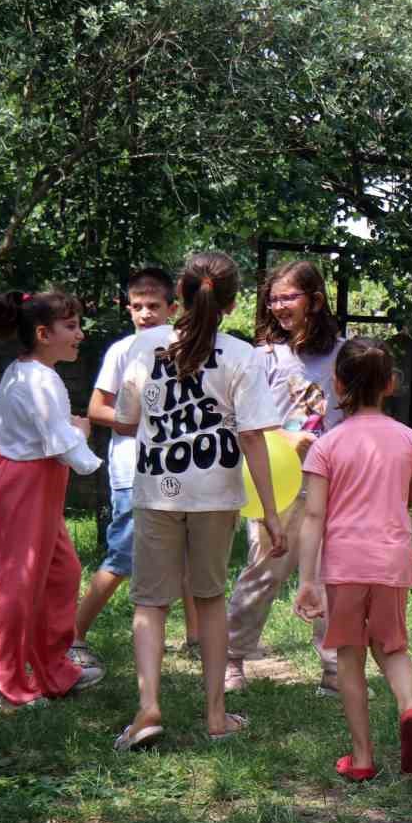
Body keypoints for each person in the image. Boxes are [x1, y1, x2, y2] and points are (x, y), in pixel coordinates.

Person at [111, 251, 286, 750]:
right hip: (215, 497)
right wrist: (271, 514)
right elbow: (254, 439)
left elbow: (124, 421)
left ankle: (148, 711)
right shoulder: (242, 356)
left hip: (154, 491)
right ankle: (215, 716)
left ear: (180, 297)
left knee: (150, 602)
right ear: (231, 305)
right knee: (209, 601)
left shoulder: (143, 346)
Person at [293, 338, 412, 779]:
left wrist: (307, 579)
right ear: (392, 384)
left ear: (337, 385)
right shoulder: (411, 440)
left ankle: (361, 759)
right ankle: (410, 708)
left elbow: (314, 515)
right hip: (392, 563)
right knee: (392, 647)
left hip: (343, 566)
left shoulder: (326, 446)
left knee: (350, 656)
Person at [0, 289, 105, 711]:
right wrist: (81, 434)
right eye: (72, 326)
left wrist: (71, 434)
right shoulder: (38, 379)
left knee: (62, 572)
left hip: (34, 482)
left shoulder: (31, 371)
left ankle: (52, 668)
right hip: (25, 483)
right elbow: (62, 444)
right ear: (44, 333)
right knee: (15, 580)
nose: (79, 334)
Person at [225, 260, 346, 696]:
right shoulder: (263, 357)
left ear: (314, 300)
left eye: (287, 297)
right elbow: (244, 419)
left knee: (334, 573)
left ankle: (334, 669)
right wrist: (286, 438)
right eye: (273, 298)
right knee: (265, 569)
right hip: (276, 483)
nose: (278, 306)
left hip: (331, 481)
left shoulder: (343, 353)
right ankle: (232, 658)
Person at [70, 267, 201, 667]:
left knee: (186, 555)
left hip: (180, 469)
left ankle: (197, 638)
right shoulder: (122, 351)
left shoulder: (186, 348)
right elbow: (96, 409)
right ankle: (73, 635)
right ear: (128, 308)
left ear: (172, 308)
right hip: (134, 472)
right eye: (137, 306)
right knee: (124, 554)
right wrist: (140, 421)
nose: (145, 314)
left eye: (154, 306)